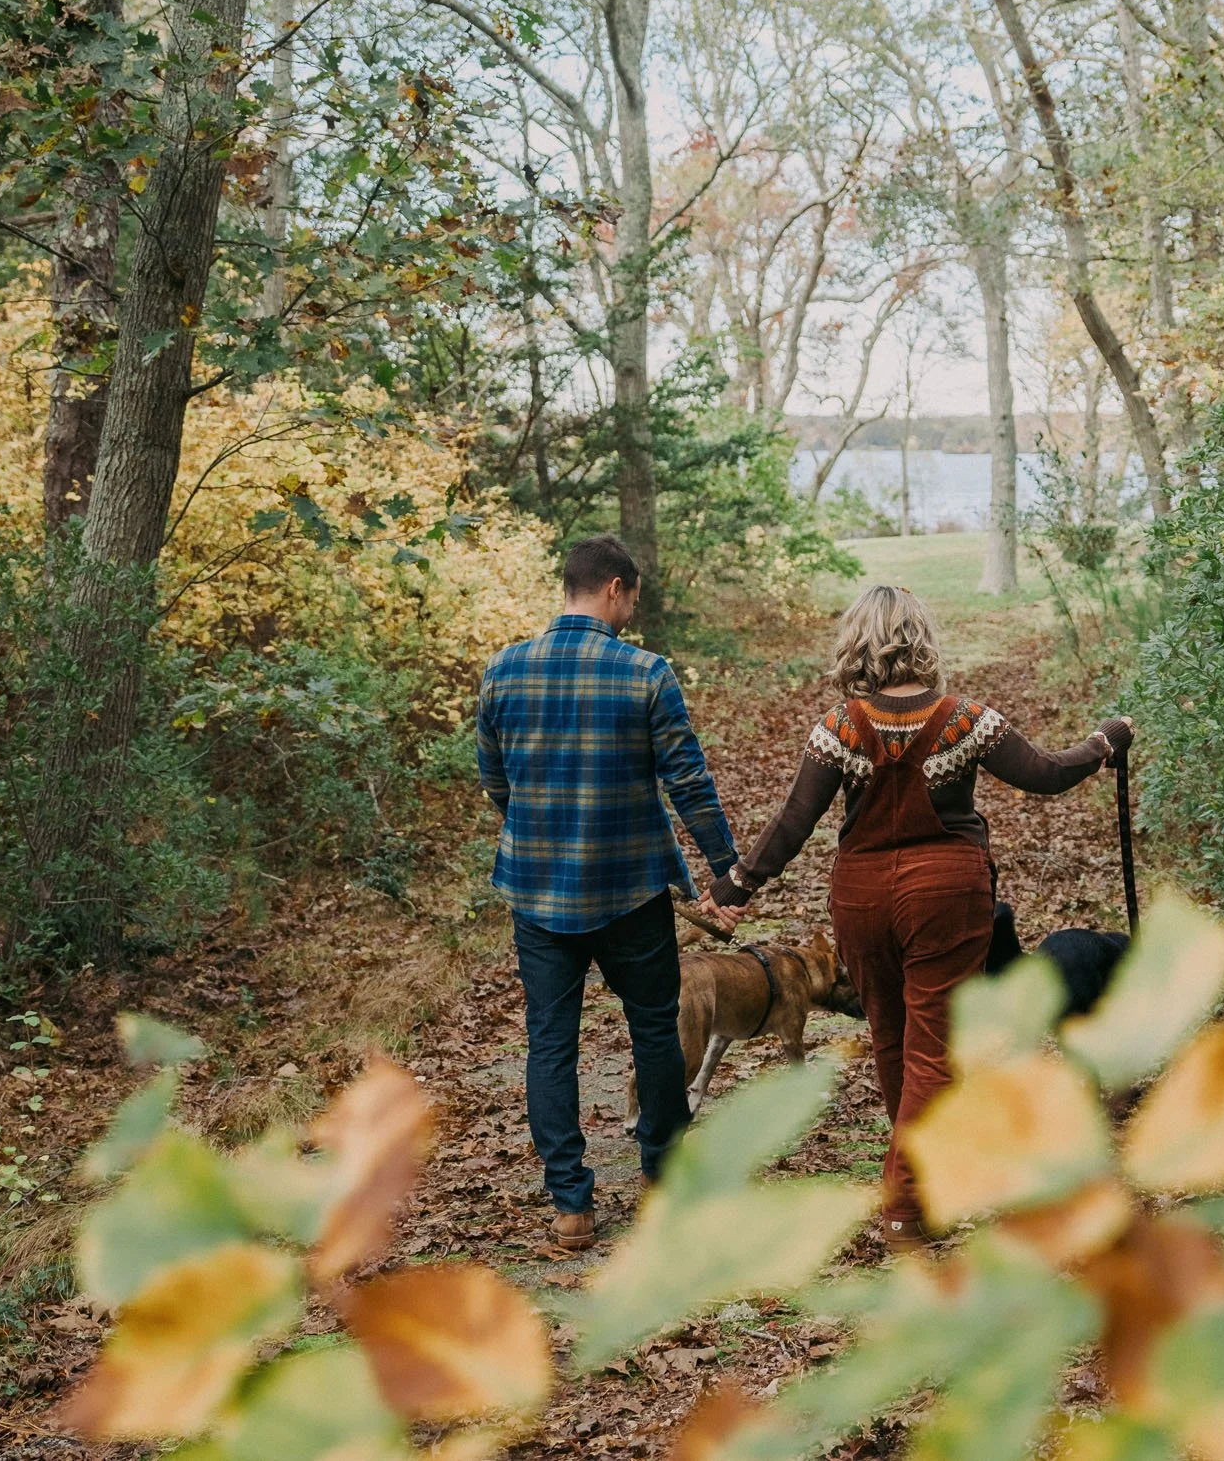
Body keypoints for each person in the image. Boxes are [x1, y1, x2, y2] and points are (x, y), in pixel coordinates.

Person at [710, 584, 1130, 1254]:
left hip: (863, 897)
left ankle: (922, 1187)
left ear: (859, 644)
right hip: (947, 896)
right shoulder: (965, 719)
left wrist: (738, 883)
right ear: (920, 640)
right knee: (932, 1047)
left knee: (892, 1039)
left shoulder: (840, 727)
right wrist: (1102, 743)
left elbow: (793, 822)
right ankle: (905, 1206)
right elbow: (1048, 774)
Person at [477, 534, 743, 1251]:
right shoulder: (646, 674)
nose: (631, 612)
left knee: (550, 1043)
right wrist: (726, 867)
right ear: (615, 588)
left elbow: (496, 779)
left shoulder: (503, 671)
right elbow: (688, 779)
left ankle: (571, 1204)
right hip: (629, 890)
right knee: (655, 1028)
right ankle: (664, 1178)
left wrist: (536, 829)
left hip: (538, 893)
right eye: (632, 599)